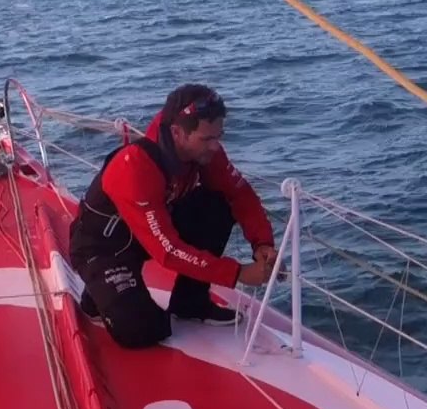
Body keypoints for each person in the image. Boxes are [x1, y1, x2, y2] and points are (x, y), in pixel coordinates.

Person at [68, 84, 278, 349]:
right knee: (142, 330)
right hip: (105, 248)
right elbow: (166, 250)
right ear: (177, 132)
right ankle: (99, 291)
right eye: (207, 139)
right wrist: (238, 274)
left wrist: (263, 244)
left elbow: (240, 194)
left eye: (219, 136)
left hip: (147, 234)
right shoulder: (135, 166)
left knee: (218, 203)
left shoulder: (204, 152)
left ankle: (191, 302)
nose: (216, 146)